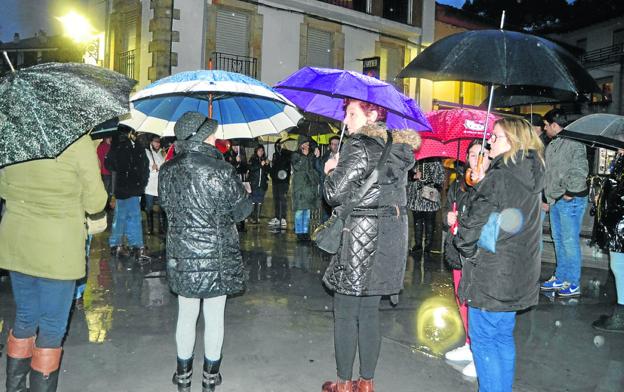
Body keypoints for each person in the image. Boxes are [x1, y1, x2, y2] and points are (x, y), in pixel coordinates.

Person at [321, 99, 420, 392]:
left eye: (352, 114)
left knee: (346, 312)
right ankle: (366, 382)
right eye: (346, 113)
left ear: (372, 115)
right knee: (368, 313)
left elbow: (333, 193)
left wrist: (330, 170)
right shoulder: (397, 149)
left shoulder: (358, 145)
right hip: (389, 236)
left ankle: (343, 384)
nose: (345, 120)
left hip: (359, 237)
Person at [1, 135, 107, 392]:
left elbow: (3, 188)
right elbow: (96, 202)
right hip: (58, 247)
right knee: (51, 325)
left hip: (18, 241)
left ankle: (15, 388)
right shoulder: (77, 143)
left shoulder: (12, 137)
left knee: (25, 315)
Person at [159, 112, 252, 392]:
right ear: (201, 137)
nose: (216, 137)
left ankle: (183, 376)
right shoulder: (221, 170)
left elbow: (166, 206)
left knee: (186, 315)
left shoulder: (167, 169)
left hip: (182, 253)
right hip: (217, 254)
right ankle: (210, 378)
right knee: (214, 316)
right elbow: (241, 211)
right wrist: (243, 193)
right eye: (212, 133)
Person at [453, 118, 545, 392]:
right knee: (503, 337)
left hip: (492, 272)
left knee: (483, 339)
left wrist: (465, 247)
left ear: (513, 143)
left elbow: (472, 225)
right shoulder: (530, 173)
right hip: (519, 270)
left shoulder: (500, 175)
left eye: (496, 137)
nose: (489, 141)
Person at [443, 139, 491, 378]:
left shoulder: (492, 185)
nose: (475, 159)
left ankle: (479, 351)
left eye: (481, 154)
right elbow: (448, 210)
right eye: (471, 154)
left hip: (479, 253)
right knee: (462, 298)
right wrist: (448, 218)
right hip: (458, 249)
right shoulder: (459, 184)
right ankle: (470, 343)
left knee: (477, 302)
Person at [540, 109, 589, 297]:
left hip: (570, 200)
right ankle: (561, 277)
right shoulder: (554, 144)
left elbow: (579, 169)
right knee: (559, 240)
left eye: (546, 125)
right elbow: (550, 173)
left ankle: (573, 281)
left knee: (569, 242)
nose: (544, 129)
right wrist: (547, 197)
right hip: (556, 199)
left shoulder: (574, 143)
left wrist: (570, 192)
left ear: (555, 125)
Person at [591, 149, 624, 333]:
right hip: (618, 223)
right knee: (619, 267)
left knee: (619, 267)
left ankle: (621, 316)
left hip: (620, 224)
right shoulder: (621, 159)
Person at [105, 130, 150, 262]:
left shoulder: (122, 145)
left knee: (122, 217)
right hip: (131, 187)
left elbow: (110, 165)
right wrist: (141, 183)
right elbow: (143, 165)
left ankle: (118, 245)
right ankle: (136, 246)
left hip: (125, 186)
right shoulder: (132, 145)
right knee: (131, 217)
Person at [406, 158, 445, 254]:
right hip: (416, 196)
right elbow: (406, 174)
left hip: (430, 195)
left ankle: (428, 245)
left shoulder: (436, 161)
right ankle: (418, 244)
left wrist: (431, 181)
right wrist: (414, 176)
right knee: (417, 220)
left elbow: (441, 177)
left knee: (430, 221)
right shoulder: (414, 160)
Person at [291, 137, 321, 241]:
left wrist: (316, 151)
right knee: (299, 211)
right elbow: (297, 167)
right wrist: (304, 156)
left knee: (307, 211)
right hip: (299, 187)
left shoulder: (311, 155)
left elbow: (314, 168)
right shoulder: (295, 155)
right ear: (300, 145)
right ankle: (299, 233)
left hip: (309, 188)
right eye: (305, 144)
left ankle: (305, 232)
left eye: (308, 144)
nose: (308, 146)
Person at [144, 134, 166, 235]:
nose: (158, 143)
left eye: (159, 141)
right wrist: (151, 169)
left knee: (161, 206)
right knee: (149, 207)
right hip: (149, 185)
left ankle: (161, 227)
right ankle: (150, 228)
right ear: (151, 142)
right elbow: (143, 168)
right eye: (155, 141)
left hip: (159, 184)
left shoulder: (162, 153)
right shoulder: (147, 153)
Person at [268, 139, 291, 229]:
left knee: (282, 199)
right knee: (276, 199)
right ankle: (277, 217)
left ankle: (283, 217)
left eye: (280, 144)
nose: (279, 146)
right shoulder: (275, 155)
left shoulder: (287, 154)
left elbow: (285, 163)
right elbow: (274, 166)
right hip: (275, 180)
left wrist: (283, 151)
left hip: (283, 180)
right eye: (277, 144)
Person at [319, 135, 340, 222]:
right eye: (332, 144)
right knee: (325, 215)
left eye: (337, 144)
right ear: (329, 145)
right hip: (326, 189)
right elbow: (319, 169)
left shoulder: (344, 157)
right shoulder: (325, 156)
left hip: (338, 189)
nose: (335, 146)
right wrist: (317, 158)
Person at [248, 145, 269, 224]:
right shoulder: (253, 159)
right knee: (253, 200)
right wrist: (260, 164)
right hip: (254, 184)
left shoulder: (264, 159)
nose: (261, 152)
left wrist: (267, 164)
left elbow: (268, 171)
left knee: (260, 200)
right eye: (259, 150)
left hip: (262, 184)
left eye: (262, 151)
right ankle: (252, 217)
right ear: (256, 151)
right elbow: (251, 168)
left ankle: (257, 217)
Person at [96, 136, 113, 207]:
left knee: (110, 190)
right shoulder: (101, 147)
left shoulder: (111, 146)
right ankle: (103, 204)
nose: (111, 139)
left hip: (111, 171)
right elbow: (100, 160)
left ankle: (108, 204)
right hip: (104, 172)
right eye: (110, 137)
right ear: (106, 138)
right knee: (105, 189)